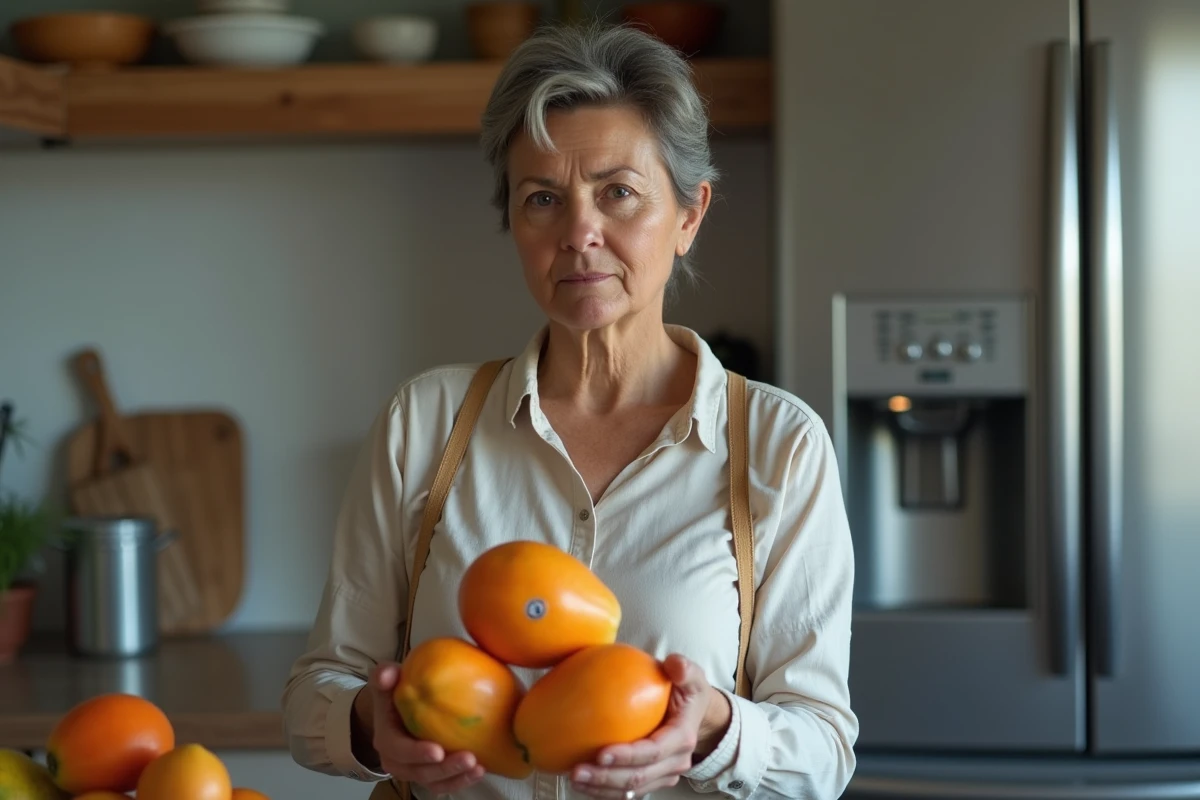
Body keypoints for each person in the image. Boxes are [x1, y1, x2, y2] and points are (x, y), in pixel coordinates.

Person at [282, 21, 858, 800]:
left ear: (690, 215)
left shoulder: (778, 445)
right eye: (543, 199)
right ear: (515, 225)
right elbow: (317, 690)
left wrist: (716, 729)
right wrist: (366, 724)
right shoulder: (425, 423)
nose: (579, 233)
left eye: (618, 192)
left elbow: (824, 749)